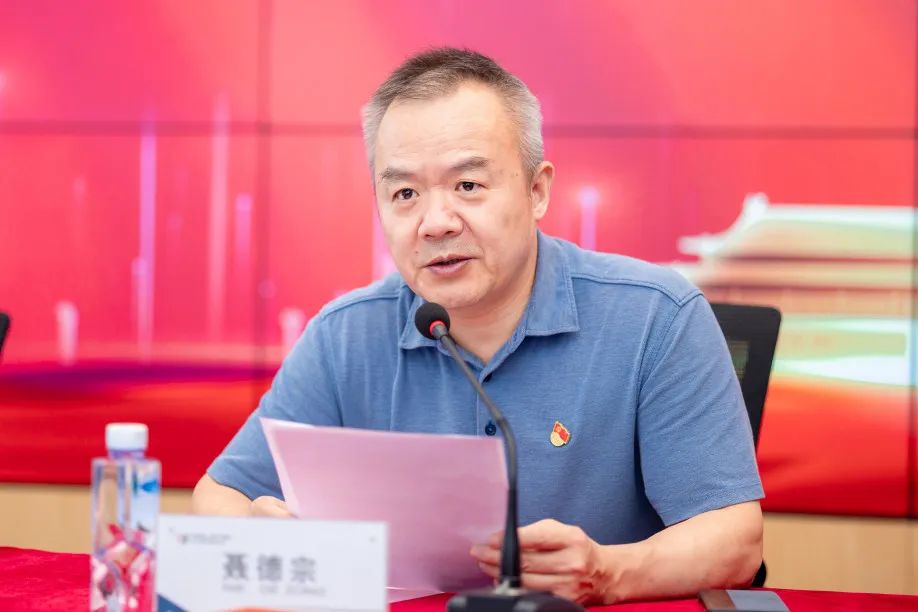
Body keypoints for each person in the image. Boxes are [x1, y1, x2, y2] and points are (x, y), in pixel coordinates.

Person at [192, 48, 763, 604]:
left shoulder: (656, 316)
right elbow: (221, 494)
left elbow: (734, 541)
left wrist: (611, 573)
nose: (435, 222)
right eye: (405, 193)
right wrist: (262, 534)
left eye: (468, 185)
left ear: (537, 191)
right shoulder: (345, 335)